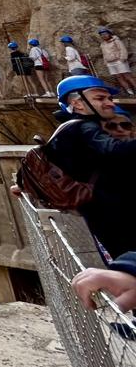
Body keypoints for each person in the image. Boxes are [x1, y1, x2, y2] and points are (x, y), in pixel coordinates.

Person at [43, 76, 136, 258]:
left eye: (109, 98)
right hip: (114, 214)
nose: (109, 103)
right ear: (77, 104)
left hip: (102, 213)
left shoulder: (66, 130)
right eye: (100, 98)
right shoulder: (84, 127)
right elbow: (115, 150)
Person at [99, 28, 136, 96]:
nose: (103, 36)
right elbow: (104, 54)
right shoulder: (102, 44)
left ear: (109, 34)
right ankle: (129, 91)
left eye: (105, 34)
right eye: (101, 35)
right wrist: (106, 62)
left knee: (127, 76)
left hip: (119, 61)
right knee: (118, 77)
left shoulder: (116, 41)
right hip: (110, 63)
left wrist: (122, 59)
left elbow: (122, 49)